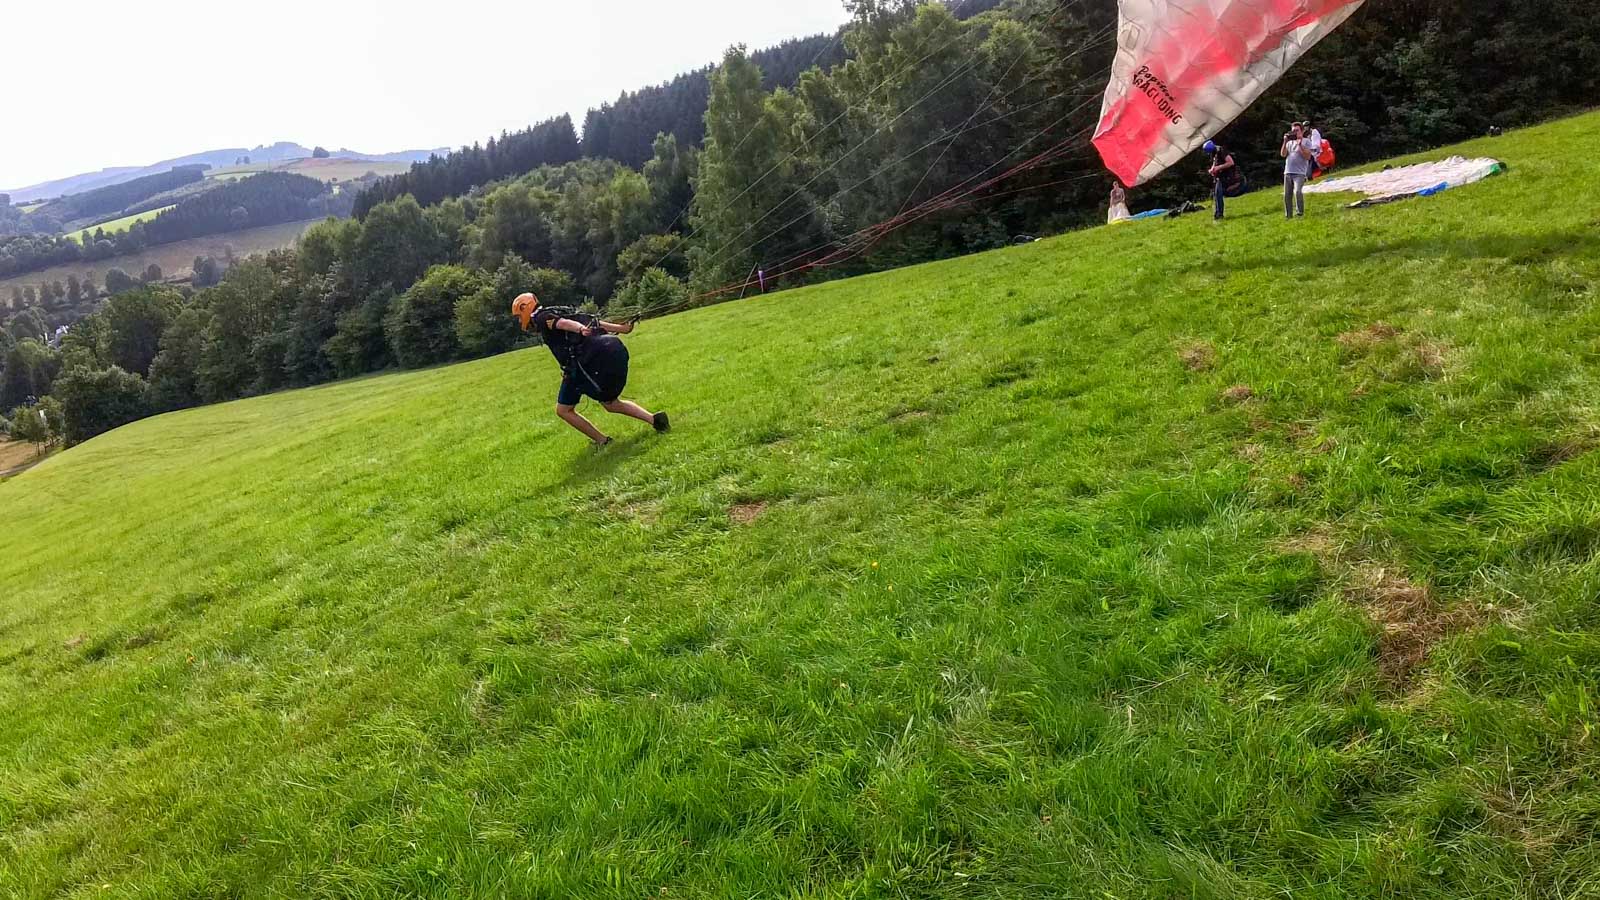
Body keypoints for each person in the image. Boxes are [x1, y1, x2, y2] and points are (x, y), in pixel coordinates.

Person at [512, 292, 670, 447]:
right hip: (588, 360)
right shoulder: (555, 311)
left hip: (580, 367)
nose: (520, 321)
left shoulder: (541, 317)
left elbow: (562, 324)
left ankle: (603, 441)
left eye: (519, 316)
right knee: (610, 404)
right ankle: (655, 420)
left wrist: (580, 329)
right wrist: (621, 329)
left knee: (564, 410)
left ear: (525, 308)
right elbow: (593, 322)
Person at [1280, 122, 1316, 219]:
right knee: (1287, 194)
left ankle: (1300, 212)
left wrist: (1300, 145)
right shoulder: (1289, 142)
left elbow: (1308, 157)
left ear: (1302, 131)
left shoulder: (1306, 141)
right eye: (1293, 131)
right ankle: (1288, 215)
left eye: (1297, 130)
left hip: (1299, 173)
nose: (1295, 133)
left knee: (1298, 191)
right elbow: (1283, 154)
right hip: (1288, 171)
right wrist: (1285, 141)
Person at [1205, 140, 1248, 220]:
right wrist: (1212, 170)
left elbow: (1231, 162)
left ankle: (1219, 215)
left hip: (1231, 177)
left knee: (1218, 193)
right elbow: (1215, 164)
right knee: (1217, 193)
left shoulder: (1222, 151)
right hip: (1222, 178)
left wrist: (1218, 167)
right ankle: (1218, 214)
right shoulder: (1214, 154)